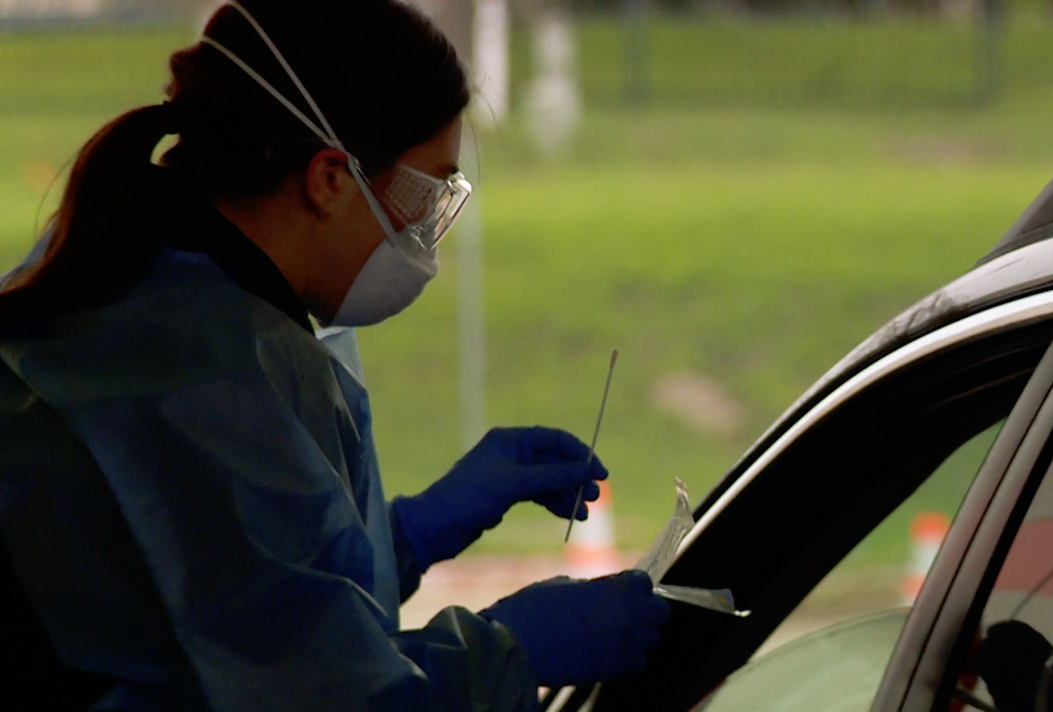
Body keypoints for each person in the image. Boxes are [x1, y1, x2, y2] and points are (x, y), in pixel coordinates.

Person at [0, 1, 669, 710]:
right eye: (425, 194)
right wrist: (508, 650)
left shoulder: (133, 280)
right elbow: (315, 694)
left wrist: (405, 536)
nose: (425, 229)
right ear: (327, 178)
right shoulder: (200, 371)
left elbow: (229, 595)